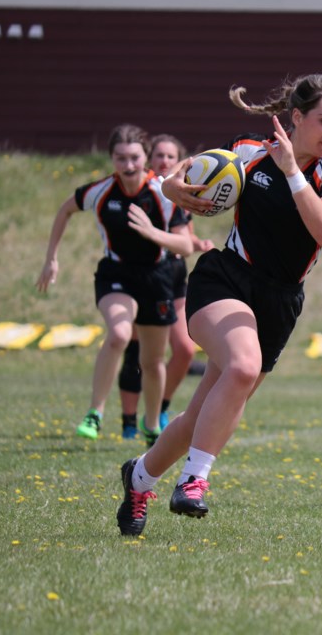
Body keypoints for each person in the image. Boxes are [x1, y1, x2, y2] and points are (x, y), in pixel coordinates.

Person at [115, 74, 322, 537]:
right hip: (225, 279)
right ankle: (194, 481)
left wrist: (292, 171)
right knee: (244, 367)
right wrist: (172, 188)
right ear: (297, 118)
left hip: (280, 301)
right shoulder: (248, 150)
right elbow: (181, 173)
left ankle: (139, 477)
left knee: (197, 418)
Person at [36, 124, 193, 444]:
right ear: (112, 159)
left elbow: (185, 246)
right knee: (120, 334)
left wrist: (151, 232)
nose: (128, 165)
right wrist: (51, 257)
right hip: (116, 274)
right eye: (120, 158)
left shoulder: (163, 193)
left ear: (144, 158)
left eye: (134, 158)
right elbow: (66, 209)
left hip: (157, 276)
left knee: (151, 361)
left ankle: (151, 425)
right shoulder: (100, 191)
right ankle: (95, 412)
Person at [117, 134, 215, 440]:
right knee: (137, 351)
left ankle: (161, 406)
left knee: (185, 348)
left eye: (171, 157)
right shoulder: (148, 192)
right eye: (158, 155)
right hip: (146, 275)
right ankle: (129, 419)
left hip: (174, 277)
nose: (164, 161)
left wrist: (200, 244)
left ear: (180, 161)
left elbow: (185, 237)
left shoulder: (183, 196)